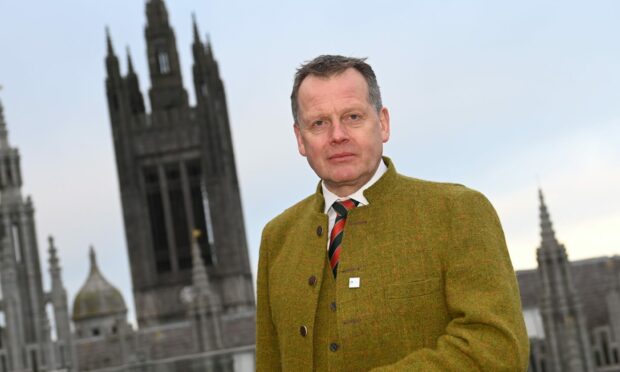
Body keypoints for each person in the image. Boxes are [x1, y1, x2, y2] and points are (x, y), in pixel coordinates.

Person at [256, 55, 529, 371]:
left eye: (353, 117)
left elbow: (497, 349)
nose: (337, 135)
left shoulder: (457, 211)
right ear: (300, 138)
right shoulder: (277, 238)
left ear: (383, 123)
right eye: (319, 123)